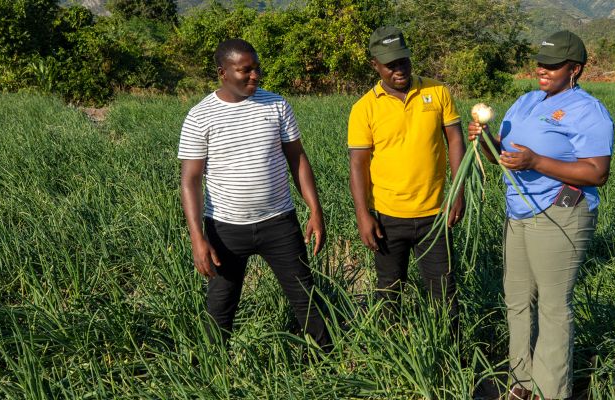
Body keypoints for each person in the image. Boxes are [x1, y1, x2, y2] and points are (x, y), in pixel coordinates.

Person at [468, 31, 614, 400]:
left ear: (575, 69)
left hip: (560, 211)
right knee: (516, 297)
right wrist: (484, 141)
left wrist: (537, 162)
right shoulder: (527, 100)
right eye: (540, 64)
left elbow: (597, 172)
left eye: (553, 65)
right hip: (517, 211)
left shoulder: (587, 110)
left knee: (552, 303)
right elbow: (504, 157)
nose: (543, 71)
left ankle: (552, 391)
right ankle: (521, 381)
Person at [179, 38, 331, 349]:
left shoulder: (276, 105)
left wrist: (315, 210)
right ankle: (213, 369)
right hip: (225, 227)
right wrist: (198, 237)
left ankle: (327, 360)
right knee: (221, 304)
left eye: (256, 69)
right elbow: (190, 180)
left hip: (279, 222)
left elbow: (297, 158)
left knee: (306, 297)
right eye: (244, 70)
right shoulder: (200, 116)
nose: (254, 76)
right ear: (223, 72)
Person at [347, 26, 466, 328]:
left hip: (435, 215)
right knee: (389, 291)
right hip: (388, 217)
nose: (399, 69)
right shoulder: (364, 108)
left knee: (444, 294)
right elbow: (358, 164)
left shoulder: (437, 92)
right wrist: (363, 214)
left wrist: (458, 192)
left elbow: (455, 140)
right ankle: (393, 354)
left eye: (403, 61)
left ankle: (447, 357)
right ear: (375, 65)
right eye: (390, 64)